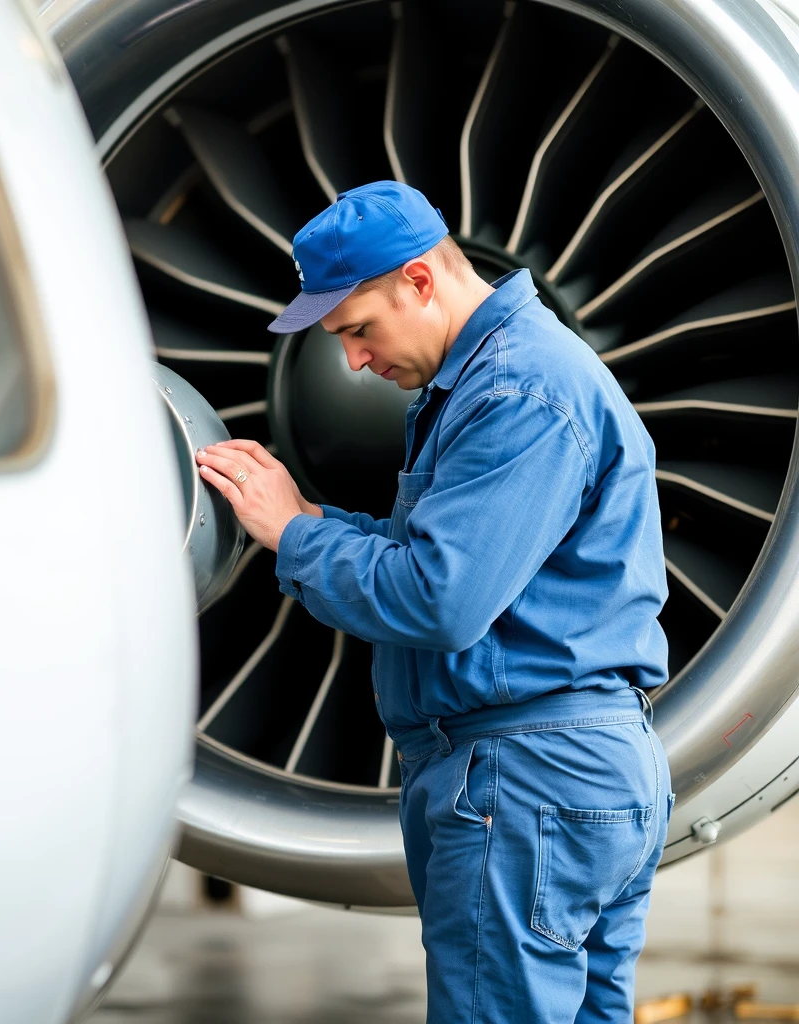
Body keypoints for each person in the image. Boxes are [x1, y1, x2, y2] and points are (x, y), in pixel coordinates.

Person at [194, 180, 673, 1023]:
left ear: (419, 281)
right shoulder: (501, 377)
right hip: (572, 771)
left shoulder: (518, 392)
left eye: (357, 330)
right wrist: (305, 518)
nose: (351, 361)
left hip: (526, 777)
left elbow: (440, 601)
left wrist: (298, 540)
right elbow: (445, 561)